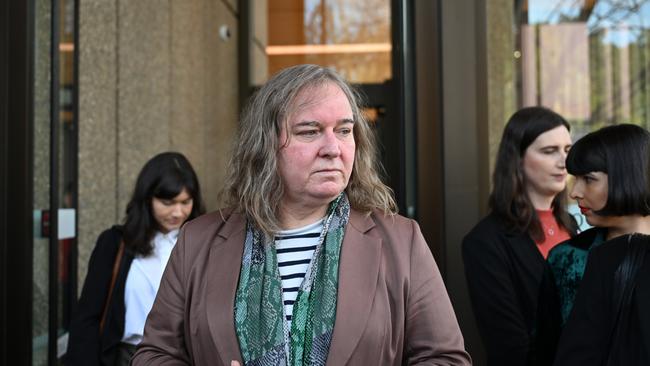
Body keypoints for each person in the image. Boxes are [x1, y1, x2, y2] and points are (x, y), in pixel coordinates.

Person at [131, 64, 471, 365]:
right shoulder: (198, 241)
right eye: (309, 131)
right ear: (265, 145)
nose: (333, 148)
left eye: (344, 130)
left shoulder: (400, 241)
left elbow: (445, 358)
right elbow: (153, 354)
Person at [462, 106, 578, 365]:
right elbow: (508, 347)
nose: (564, 162)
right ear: (517, 159)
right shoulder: (485, 242)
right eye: (549, 151)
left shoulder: (572, 226)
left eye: (567, 150)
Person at [65, 152, 205, 366]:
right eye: (168, 202)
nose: (178, 212)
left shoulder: (204, 244)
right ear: (147, 198)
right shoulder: (115, 243)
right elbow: (88, 317)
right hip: (126, 356)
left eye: (186, 202)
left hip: (185, 358)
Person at [552, 124, 650, 365]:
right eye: (575, 179)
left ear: (629, 176)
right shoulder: (567, 258)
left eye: (589, 179)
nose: (574, 192)